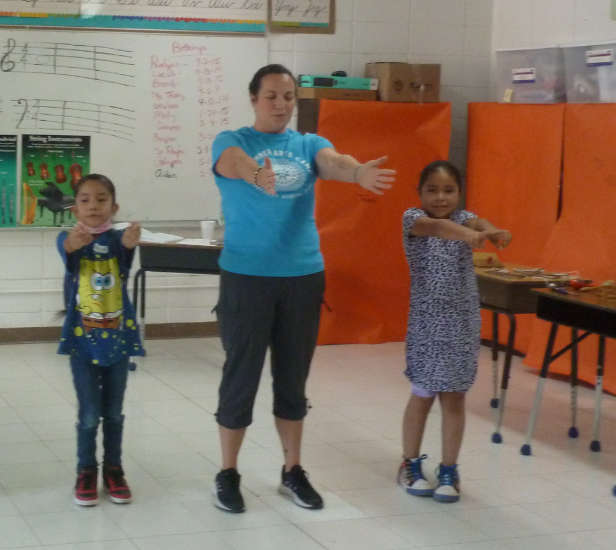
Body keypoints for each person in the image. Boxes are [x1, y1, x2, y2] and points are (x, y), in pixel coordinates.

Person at [209, 64, 396, 513]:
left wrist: (356, 174)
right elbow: (233, 163)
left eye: (288, 97)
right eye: (271, 96)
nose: (281, 105)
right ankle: (228, 472)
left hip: (301, 278)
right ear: (253, 98)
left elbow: (333, 162)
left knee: (292, 378)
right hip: (247, 277)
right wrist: (257, 174)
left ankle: (292, 470)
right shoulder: (233, 141)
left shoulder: (308, 143)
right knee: (241, 376)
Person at [398, 161, 511, 503]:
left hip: (461, 324)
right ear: (420, 193)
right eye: (432, 189)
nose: (440, 197)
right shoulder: (413, 220)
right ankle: (410, 463)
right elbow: (438, 229)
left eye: (448, 190)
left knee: (454, 397)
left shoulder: (465, 219)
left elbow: (478, 223)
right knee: (423, 394)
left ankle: (449, 468)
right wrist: (473, 237)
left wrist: (491, 231)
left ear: (459, 193)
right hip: (427, 324)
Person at [56, 174, 144, 506]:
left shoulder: (121, 239)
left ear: (114, 206)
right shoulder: (68, 238)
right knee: (90, 413)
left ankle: (114, 469)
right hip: (82, 342)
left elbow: (123, 261)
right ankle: (86, 471)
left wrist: (131, 243)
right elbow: (67, 250)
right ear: (75, 207)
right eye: (85, 200)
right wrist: (72, 245)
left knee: (115, 412)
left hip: (118, 340)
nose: (94, 205)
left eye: (102, 199)